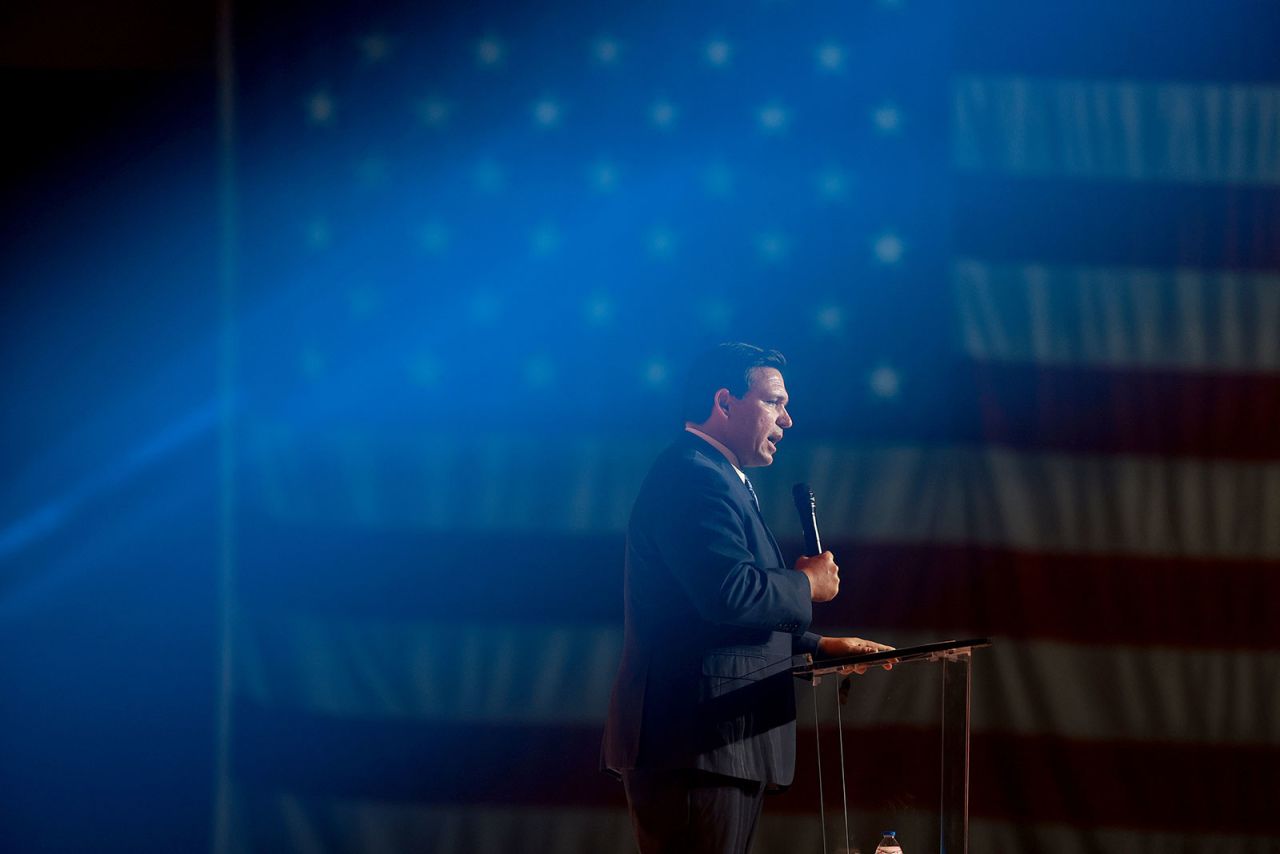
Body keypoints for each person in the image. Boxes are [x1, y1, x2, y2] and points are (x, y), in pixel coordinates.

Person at [602, 342, 894, 853]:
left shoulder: (716, 476)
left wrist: (818, 646)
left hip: (717, 747)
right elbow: (729, 593)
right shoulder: (692, 476)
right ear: (725, 401)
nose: (788, 419)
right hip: (695, 747)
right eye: (774, 402)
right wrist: (808, 584)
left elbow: (706, 617)